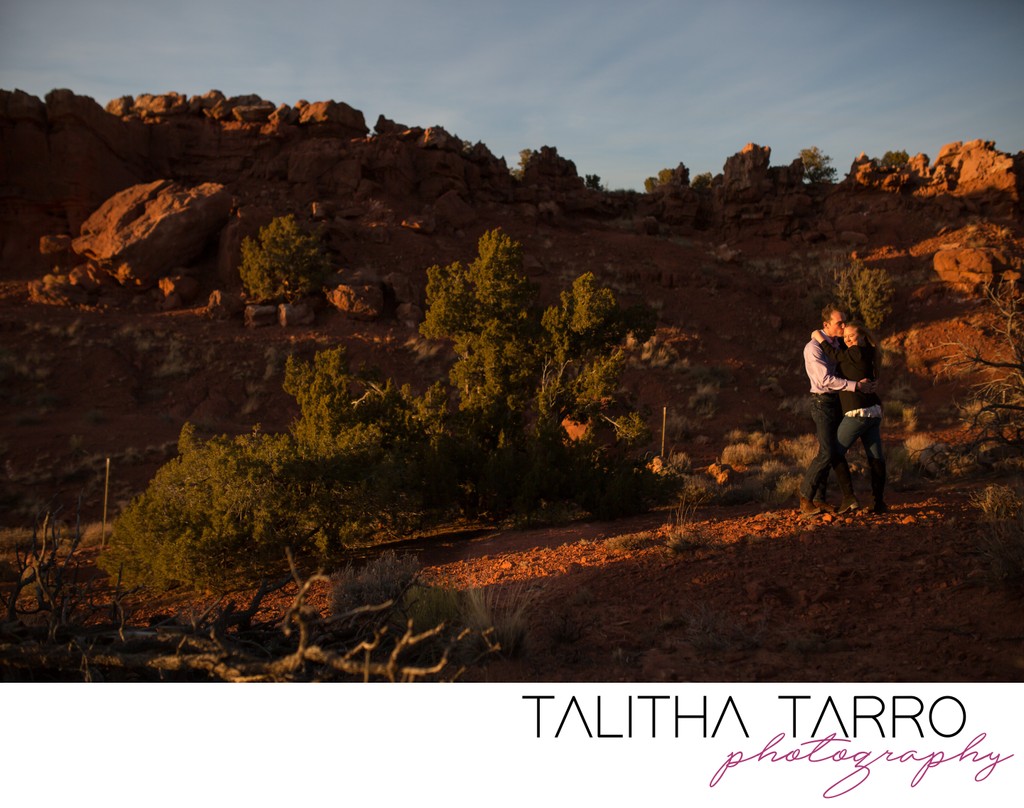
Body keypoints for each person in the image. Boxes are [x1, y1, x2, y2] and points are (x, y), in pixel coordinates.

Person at [798, 303, 874, 518]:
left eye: (844, 321)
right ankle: (805, 497)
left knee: (832, 451)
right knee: (828, 452)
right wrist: (856, 386)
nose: (843, 325)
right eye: (839, 323)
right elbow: (825, 380)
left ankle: (820, 499)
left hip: (837, 402)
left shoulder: (839, 344)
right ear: (826, 325)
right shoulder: (813, 348)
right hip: (822, 402)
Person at [812, 321, 888, 514]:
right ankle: (878, 503)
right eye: (845, 337)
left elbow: (835, 355)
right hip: (873, 412)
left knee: (834, 453)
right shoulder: (869, 352)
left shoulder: (856, 352)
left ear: (862, 336)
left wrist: (819, 337)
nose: (847, 340)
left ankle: (849, 499)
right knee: (875, 458)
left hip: (858, 412)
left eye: (851, 336)